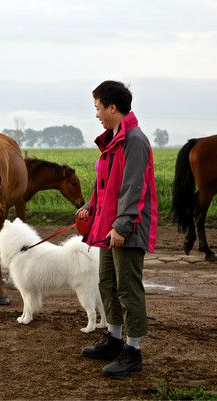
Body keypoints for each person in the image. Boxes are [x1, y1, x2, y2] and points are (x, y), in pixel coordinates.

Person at [77, 80, 158, 377]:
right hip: (109, 226)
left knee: (128, 288)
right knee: (107, 283)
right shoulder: (113, 140)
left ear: (113, 107)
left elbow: (133, 187)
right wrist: (90, 205)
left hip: (128, 228)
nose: (96, 113)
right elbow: (107, 184)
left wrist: (122, 226)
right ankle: (113, 339)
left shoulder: (135, 140)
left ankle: (133, 351)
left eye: (98, 107)